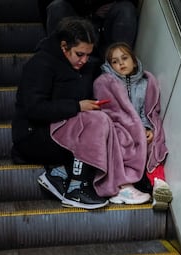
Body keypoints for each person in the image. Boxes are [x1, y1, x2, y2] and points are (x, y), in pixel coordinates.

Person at [11, 16, 109, 209]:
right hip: (33, 137)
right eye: (79, 54)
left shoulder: (86, 66)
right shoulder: (40, 64)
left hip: (62, 131)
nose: (84, 60)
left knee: (104, 121)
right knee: (92, 123)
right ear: (64, 46)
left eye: (88, 54)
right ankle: (75, 189)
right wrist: (77, 106)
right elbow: (34, 108)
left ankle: (60, 175)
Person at [93, 42, 172, 210]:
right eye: (115, 61)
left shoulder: (145, 83)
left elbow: (148, 112)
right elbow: (111, 112)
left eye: (124, 58)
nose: (121, 63)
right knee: (120, 142)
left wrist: (146, 129)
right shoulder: (106, 83)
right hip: (118, 128)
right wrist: (134, 130)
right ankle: (123, 186)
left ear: (134, 61)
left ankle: (158, 183)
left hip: (140, 128)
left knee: (156, 138)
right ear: (109, 65)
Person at [38, 0, 138, 59]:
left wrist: (114, 3)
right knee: (57, 6)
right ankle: (60, 64)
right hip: (75, 23)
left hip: (105, 24)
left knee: (126, 8)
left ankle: (118, 65)